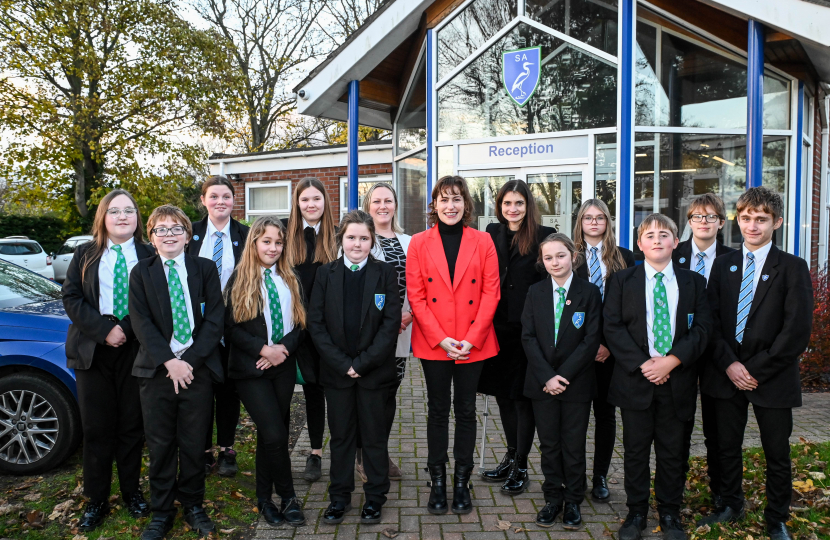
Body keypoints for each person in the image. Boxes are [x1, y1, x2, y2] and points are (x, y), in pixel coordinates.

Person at [699, 187, 813, 540]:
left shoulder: (792, 267)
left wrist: (755, 370)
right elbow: (710, 320)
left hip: (772, 376)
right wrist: (731, 365)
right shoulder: (724, 264)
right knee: (726, 446)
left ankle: (776, 516)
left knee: (776, 451)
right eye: (746, 218)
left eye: (761, 219)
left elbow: (796, 331)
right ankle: (731, 503)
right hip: (726, 373)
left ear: (776, 222)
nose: (752, 225)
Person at [603, 214, 711, 540]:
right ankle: (636, 513)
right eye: (649, 235)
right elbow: (612, 327)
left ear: (676, 242)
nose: (657, 240)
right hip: (636, 380)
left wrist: (672, 361)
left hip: (677, 380)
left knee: (672, 450)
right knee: (635, 450)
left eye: (664, 235)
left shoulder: (694, 282)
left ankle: (670, 512)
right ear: (640, 244)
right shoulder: (621, 280)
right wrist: (644, 364)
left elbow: (703, 329)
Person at [129, 205, 225, 540]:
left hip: (196, 369)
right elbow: (141, 323)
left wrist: (190, 361)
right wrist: (170, 362)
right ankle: (161, 511)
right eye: (161, 229)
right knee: (160, 443)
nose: (169, 235)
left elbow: (215, 319)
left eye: (176, 228)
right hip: (157, 371)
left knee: (195, 441)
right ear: (152, 238)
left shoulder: (205, 268)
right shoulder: (141, 273)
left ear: (188, 235)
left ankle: (194, 505)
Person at [406, 175, 500, 515]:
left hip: (473, 342)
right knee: (437, 412)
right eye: (444, 200)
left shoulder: (483, 241)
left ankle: (462, 482)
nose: (450, 206)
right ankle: (438, 482)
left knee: (465, 411)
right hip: (436, 342)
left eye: (457, 199)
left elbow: (492, 292)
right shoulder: (418, 242)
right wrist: (442, 339)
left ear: (466, 205)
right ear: (434, 205)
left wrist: (471, 339)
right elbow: (416, 297)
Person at [62, 189, 154, 532]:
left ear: (137, 218)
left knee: (132, 427)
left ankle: (132, 492)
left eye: (129, 210)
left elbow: (154, 302)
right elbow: (70, 296)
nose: (122, 216)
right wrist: (104, 330)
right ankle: (96, 499)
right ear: (103, 217)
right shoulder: (84, 254)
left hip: (135, 349)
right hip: (93, 351)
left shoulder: (148, 254)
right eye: (114, 211)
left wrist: (125, 330)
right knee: (97, 429)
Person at [308, 210, 401, 525]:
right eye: (351, 237)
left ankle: (375, 498)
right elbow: (316, 324)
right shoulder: (326, 274)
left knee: (374, 438)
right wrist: (342, 364)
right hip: (337, 375)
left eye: (364, 237)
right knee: (342, 438)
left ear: (372, 239)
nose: (357, 243)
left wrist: (361, 363)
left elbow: (390, 325)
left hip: (374, 373)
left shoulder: (385, 273)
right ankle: (339, 498)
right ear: (341, 240)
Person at [224, 217, 306, 526]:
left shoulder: (291, 278)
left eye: (278, 242)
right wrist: (263, 350)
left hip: (282, 367)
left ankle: (264, 499)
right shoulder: (239, 280)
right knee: (273, 432)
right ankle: (288, 497)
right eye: (266, 241)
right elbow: (229, 328)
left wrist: (281, 349)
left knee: (271, 437)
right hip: (250, 370)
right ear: (254, 243)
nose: (273, 247)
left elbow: (301, 324)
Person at [478, 180, 555, 495]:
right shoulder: (490, 234)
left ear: (528, 206)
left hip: (528, 331)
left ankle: (522, 464)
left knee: (523, 400)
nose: (512, 209)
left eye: (518, 204)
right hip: (496, 329)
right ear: (500, 206)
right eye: (507, 203)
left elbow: (549, 283)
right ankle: (510, 456)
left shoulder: (543, 235)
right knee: (503, 397)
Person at [523, 232, 601, 529]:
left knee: (573, 443)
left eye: (560, 255)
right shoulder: (535, 292)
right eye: (548, 258)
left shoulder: (589, 292)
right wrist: (547, 376)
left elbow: (591, 340)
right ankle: (552, 498)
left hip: (575, 383)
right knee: (550, 443)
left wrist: (563, 376)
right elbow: (528, 337)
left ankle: (573, 501)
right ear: (542, 262)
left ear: (573, 256)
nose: (555, 262)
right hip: (542, 383)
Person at [671, 193, 735, 510]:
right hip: (679, 355)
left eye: (711, 217)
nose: (704, 222)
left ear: (721, 223)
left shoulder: (735, 260)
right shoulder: (672, 254)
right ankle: (675, 491)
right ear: (689, 221)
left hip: (717, 357)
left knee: (718, 433)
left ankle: (721, 494)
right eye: (697, 216)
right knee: (678, 429)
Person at [572, 199, 636, 501]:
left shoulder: (624, 257)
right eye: (588, 218)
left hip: (611, 352)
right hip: (578, 349)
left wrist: (608, 345)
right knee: (577, 416)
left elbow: (630, 306)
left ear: (608, 222)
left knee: (606, 416)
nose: (594, 223)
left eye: (600, 218)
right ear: (580, 222)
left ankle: (599, 477)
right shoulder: (569, 255)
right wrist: (588, 344)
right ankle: (575, 477)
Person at [187, 175, 249, 477]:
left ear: (234, 201)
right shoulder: (189, 235)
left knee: (228, 389)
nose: (220, 202)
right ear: (203, 200)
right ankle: (201, 449)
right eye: (214, 196)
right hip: (196, 327)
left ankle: (227, 449)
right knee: (200, 391)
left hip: (233, 325)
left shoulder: (246, 235)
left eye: (226, 196)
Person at [354, 182, 413, 482]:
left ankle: (379, 451)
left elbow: (417, 285)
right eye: (376, 201)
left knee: (390, 394)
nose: (382, 206)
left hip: (402, 330)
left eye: (388, 200)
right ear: (368, 205)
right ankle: (364, 454)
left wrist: (409, 315)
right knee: (370, 395)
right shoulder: (362, 239)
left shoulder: (408, 241)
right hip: (371, 334)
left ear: (395, 205)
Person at [283, 177, 338, 482]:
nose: (311, 204)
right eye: (305, 200)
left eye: (316, 199)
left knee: (327, 391)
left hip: (328, 331)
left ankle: (329, 453)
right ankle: (299, 452)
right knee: (301, 391)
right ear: (298, 203)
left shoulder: (336, 237)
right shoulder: (285, 235)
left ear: (324, 202)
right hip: (294, 328)